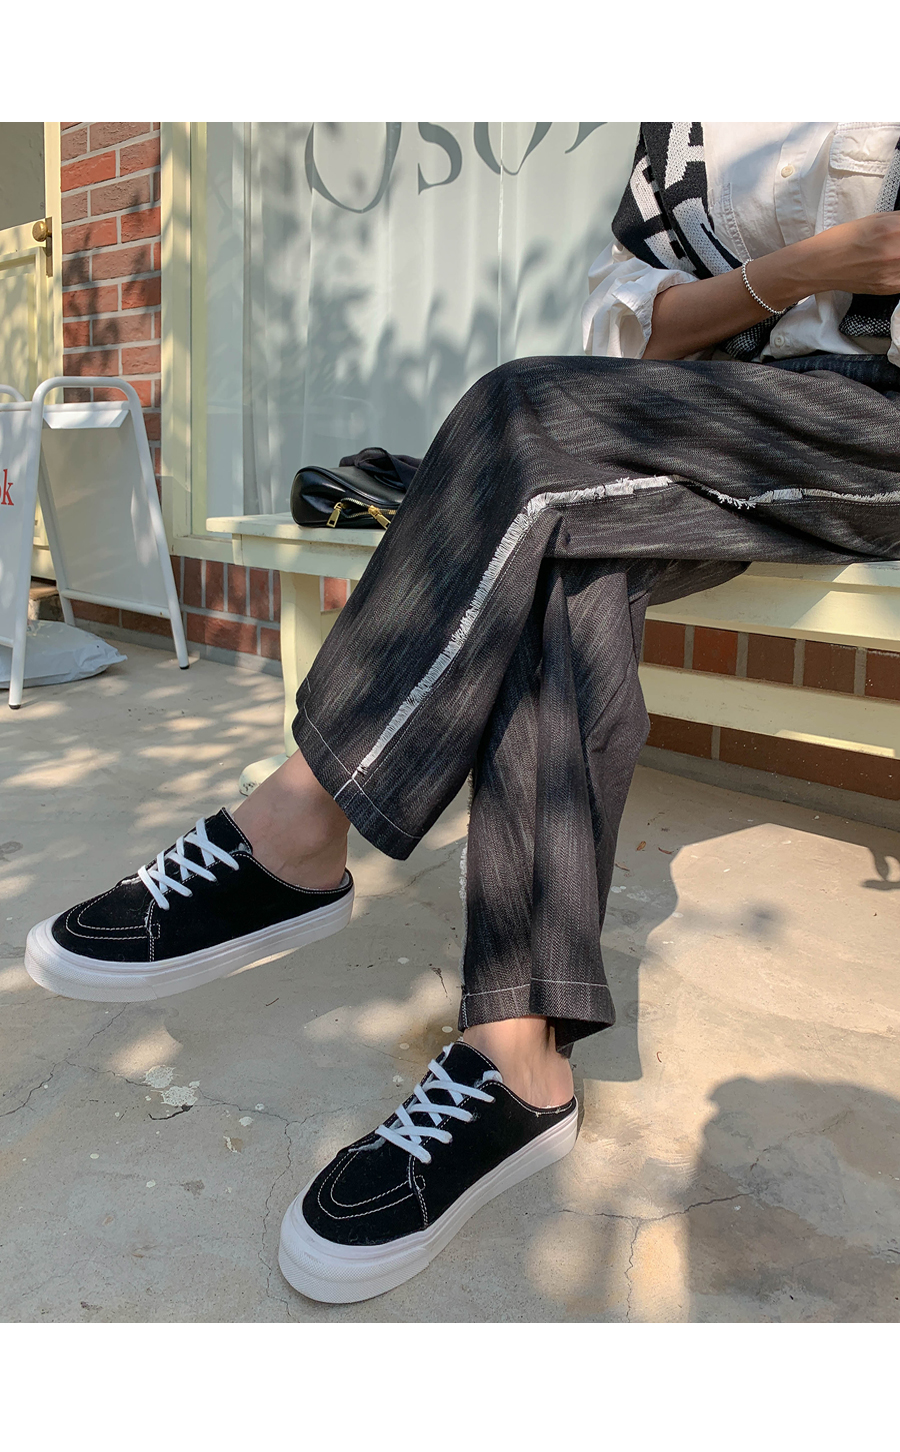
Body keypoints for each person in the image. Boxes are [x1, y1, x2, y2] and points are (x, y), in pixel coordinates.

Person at [24, 122, 900, 1306]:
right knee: (560, 545)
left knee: (522, 416)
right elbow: (631, 327)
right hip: (710, 418)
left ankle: (296, 829)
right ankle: (516, 1063)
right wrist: (798, 274)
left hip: (874, 435)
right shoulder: (692, 125)